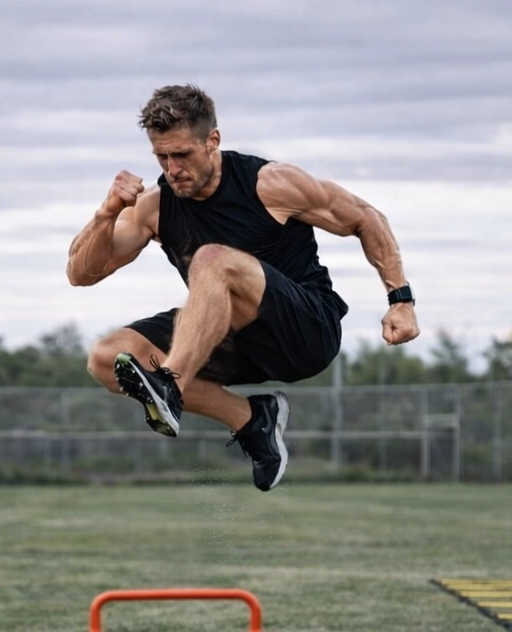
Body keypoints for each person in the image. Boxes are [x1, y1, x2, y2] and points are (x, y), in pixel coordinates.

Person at [67, 84, 419, 491]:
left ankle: (170, 385)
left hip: (304, 331)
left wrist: (401, 300)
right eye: (162, 157)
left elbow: (366, 218)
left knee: (213, 260)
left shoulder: (270, 184)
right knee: (107, 357)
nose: (172, 168)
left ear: (212, 140)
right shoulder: (155, 206)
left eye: (182, 154)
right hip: (230, 338)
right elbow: (82, 273)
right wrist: (107, 213)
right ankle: (252, 421)